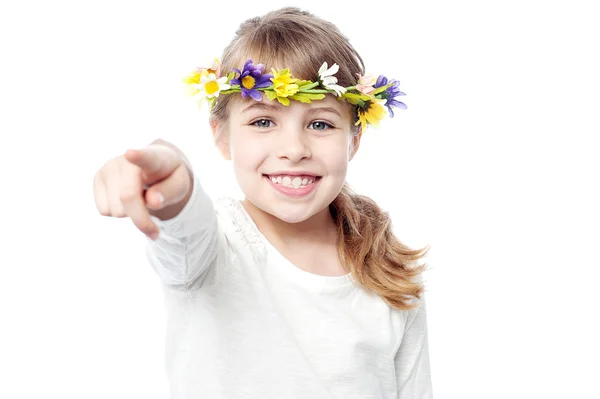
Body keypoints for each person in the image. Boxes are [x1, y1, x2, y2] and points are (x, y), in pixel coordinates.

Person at [93, 6, 432, 399]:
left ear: (354, 139)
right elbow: (184, 218)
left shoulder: (392, 273)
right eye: (263, 122)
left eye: (320, 124)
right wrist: (170, 173)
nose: (293, 149)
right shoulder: (211, 251)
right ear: (221, 136)